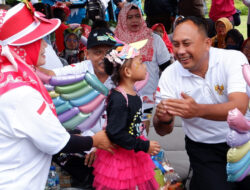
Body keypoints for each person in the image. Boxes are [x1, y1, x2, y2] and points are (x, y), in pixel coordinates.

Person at [0, 3, 114, 189]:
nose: (46, 45)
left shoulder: (9, 79)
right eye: (39, 40)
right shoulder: (23, 93)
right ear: (24, 46)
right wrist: (95, 141)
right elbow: (59, 142)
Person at [153, 16, 250, 190]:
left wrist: (197, 110)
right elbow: (163, 130)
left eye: (187, 43)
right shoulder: (169, 75)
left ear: (207, 43)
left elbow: (239, 107)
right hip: (205, 150)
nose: (180, 51)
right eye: (176, 44)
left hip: (245, 142)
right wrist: (164, 118)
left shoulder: (232, 59)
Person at [93, 41, 161, 190]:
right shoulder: (119, 98)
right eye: (140, 62)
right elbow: (115, 132)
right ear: (128, 72)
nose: (145, 66)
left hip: (134, 151)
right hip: (121, 157)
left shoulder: (134, 94)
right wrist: (144, 145)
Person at [114, 3, 171, 114]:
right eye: (129, 17)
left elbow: (167, 69)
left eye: (137, 16)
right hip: (123, 99)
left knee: (146, 128)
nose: (134, 20)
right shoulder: (116, 42)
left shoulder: (154, 39)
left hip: (149, 99)